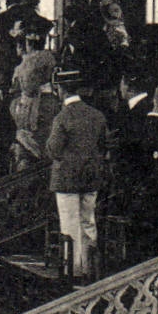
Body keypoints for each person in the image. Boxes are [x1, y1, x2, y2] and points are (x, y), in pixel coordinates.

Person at [46, 69, 108, 279]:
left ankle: (72, 271)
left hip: (67, 180)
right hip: (91, 177)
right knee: (88, 222)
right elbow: (103, 145)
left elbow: (53, 150)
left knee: (70, 225)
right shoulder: (96, 115)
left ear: (60, 90)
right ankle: (90, 269)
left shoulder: (62, 117)